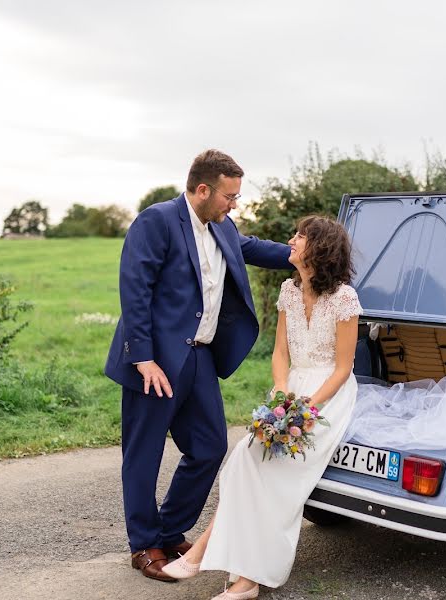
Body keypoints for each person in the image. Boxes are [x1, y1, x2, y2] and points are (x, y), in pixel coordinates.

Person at [103, 150, 293, 582]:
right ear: (203, 189)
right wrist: (143, 357)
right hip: (153, 363)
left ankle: (171, 531)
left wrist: (307, 253)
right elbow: (135, 290)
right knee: (143, 454)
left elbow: (256, 250)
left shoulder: (222, 227)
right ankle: (145, 545)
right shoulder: (158, 220)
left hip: (199, 357)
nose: (234, 204)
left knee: (208, 447)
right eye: (230, 195)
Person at [162, 216, 362, 600]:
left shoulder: (344, 299)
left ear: (318, 248)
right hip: (289, 391)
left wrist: (305, 410)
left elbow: (343, 368)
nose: (291, 240)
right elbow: (281, 353)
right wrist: (282, 396)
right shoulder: (289, 290)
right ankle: (219, 560)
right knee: (243, 460)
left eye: (300, 236)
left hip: (328, 396)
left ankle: (241, 574)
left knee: (274, 475)